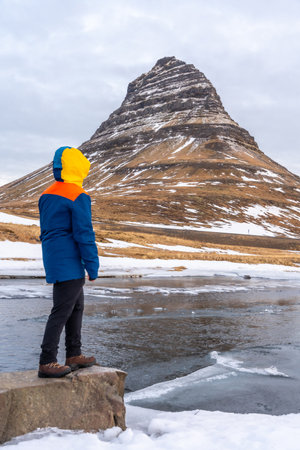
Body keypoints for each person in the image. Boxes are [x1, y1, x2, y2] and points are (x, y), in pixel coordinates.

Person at [38, 146, 99, 378]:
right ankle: (47, 360)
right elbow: (84, 234)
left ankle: (74, 354)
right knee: (62, 310)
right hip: (70, 261)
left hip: (54, 258)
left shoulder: (46, 194)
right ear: (78, 167)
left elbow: (49, 231)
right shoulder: (77, 195)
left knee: (75, 306)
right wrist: (92, 266)